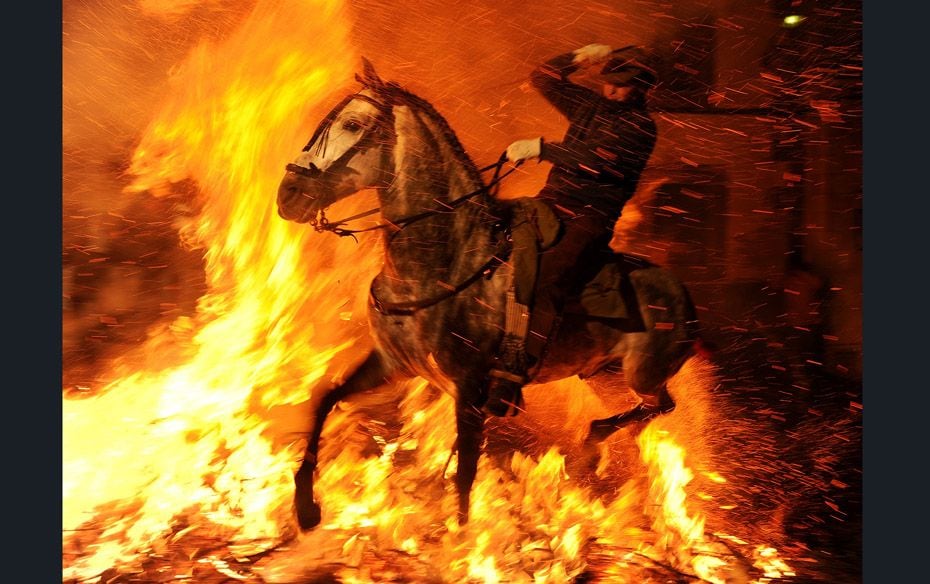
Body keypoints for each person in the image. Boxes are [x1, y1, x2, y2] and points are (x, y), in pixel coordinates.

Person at [484, 44, 659, 417]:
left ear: (641, 88)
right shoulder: (591, 105)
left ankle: (514, 371)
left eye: (622, 85)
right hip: (549, 202)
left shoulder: (642, 128)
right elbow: (542, 79)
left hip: (589, 217)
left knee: (543, 278)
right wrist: (579, 57)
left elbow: (599, 162)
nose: (612, 90)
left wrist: (543, 149)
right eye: (608, 82)